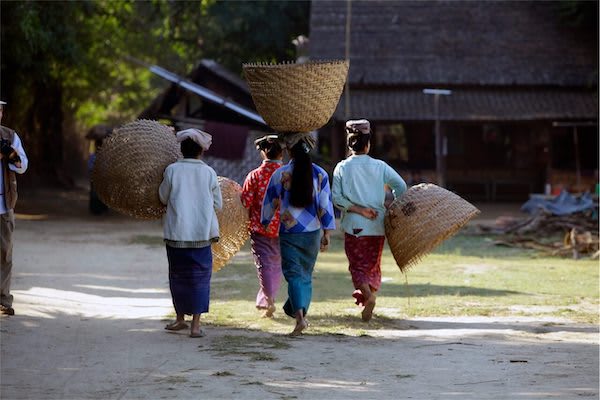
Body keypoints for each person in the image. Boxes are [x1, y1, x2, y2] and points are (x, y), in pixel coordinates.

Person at [332, 119, 407, 322]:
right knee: (372, 265)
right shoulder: (380, 166)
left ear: (349, 144)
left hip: (354, 226)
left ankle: (368, 296)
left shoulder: (342, 167)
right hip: (377, 225)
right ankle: (367, 295)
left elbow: (337, 199)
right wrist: (394, 208)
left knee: (357, 266)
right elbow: (400, 187)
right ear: (368, 144)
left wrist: (358, 209)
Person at [261, 133, 336, 336]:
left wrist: (265, 221)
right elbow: (325, 206)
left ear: (289, 150)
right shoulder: (320, 174)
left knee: (294, 275)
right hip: (312, 232)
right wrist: (327, 232)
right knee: (305, 275)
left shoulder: (281, 174)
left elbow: (269, 202)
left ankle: (299, 317)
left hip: (289, 232)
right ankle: (298, 311)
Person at [158, 128, 222, 338]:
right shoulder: (209, 173)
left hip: (176, 234)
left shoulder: (172, 170)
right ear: (201, 152)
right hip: (201, 234)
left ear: (181, 150)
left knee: (178, 276)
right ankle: (195, 326)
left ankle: (179, 320)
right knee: (200, 279)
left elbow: (163, 198)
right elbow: (218, 204)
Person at [241, 135, 284, 318]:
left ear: (262, 152)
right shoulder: (288, 175)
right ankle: (268, 299)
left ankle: (269, 299)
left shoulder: (255, 175)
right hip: (284, 228)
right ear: (282, 153)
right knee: (277, 264)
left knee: (264, 264)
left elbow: (246, 201)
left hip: (260, 229)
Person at [0, 100, 29, 316]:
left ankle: (3, 301)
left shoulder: (9, 136)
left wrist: (10, 154)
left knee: (4, 255)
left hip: (4, 205)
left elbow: (22, 166)